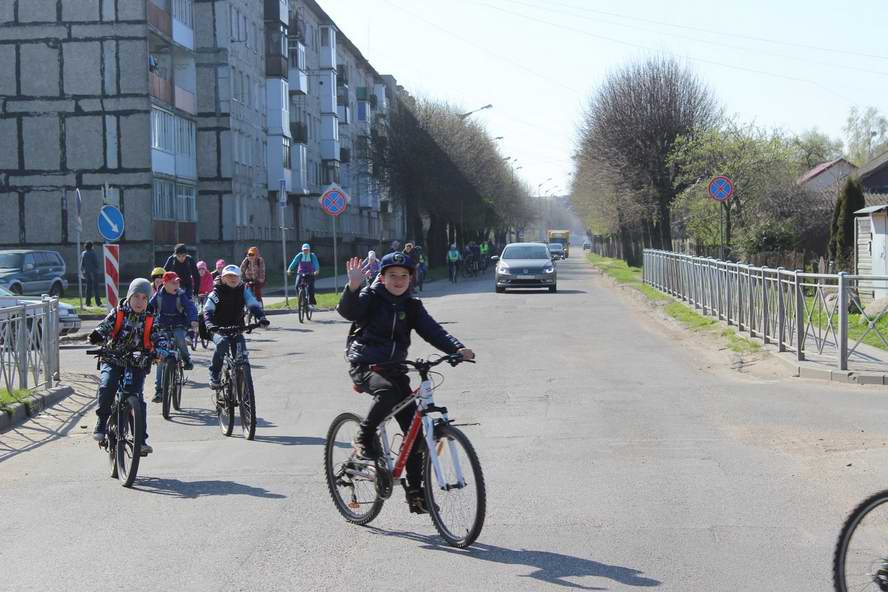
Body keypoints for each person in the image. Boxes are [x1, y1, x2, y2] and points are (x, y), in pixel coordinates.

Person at [337, 251, 475, 514]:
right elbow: (349, 311)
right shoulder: (371, 296)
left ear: (411, 278)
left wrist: (457, 349)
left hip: (394, 368)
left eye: (404, 276)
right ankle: (363, 438)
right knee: (387, 393)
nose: (398, 280)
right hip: (364, 364)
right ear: (382, 277)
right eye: (392, 276)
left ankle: (416, 494)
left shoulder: (412, 305)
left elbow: (433, 330)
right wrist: (353, 287)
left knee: (415, 435)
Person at [88, 278, 165, 454]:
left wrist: (162, 349)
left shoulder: (151, 318)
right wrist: (97, 335)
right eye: (136, 297)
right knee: (107, 386)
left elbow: (159, 337)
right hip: (113, 358)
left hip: (137, 363)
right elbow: (104, 326)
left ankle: (141, 440)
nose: (139, 301)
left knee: (136, 398)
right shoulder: (118, 313)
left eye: (144, 298)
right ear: (129, 297)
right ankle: (102, 421)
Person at [204, 265, 269, 389]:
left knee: (242, 357)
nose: (232, 278)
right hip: (217, 329)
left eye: (235, 276)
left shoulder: (243, 290)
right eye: (229, 276)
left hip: (237, 328)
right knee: (222, 343)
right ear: (223, 278)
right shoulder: (216, 292)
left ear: (240, 278)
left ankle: (244, 388)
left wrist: (261, 317)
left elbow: (252, 304)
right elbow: (208, 310)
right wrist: (209, 324)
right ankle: (215, 373)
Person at [148, 272, 198, 402]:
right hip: (162, 325)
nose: (176, 284)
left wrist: (193, 320)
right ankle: (158, 390)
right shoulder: (158, 295)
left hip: (178, 324)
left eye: (177, 282)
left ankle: (187, 360)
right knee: (160, 357)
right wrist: (145, 320)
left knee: (180, 338)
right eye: (173, 282)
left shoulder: (180, 295)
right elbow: (149, 308)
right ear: (165, 283)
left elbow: (190, 307)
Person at [287, 243, 320, 307]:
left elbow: (316, 263)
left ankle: (311, 303)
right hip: (301, 272)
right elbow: (294, 262)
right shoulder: (300, 255)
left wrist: (316, 270)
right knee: (297, 285)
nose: (305, 251)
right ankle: (300, 299)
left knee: (311, 287)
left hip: (310, 273)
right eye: (304, 250)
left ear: (309, 250)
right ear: (302, 250)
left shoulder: (312, 256)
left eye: (307, 250)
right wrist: (289, 269)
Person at [80, 241, 102, 307]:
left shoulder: (83, 253)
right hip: (94, 272)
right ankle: (98, 302)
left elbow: (82, 264)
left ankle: (88, 302)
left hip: (87, 273)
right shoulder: (93, 253)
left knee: (88, 288)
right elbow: (96, 263)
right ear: (91, 246)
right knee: (96, 288)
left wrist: (83, 272)